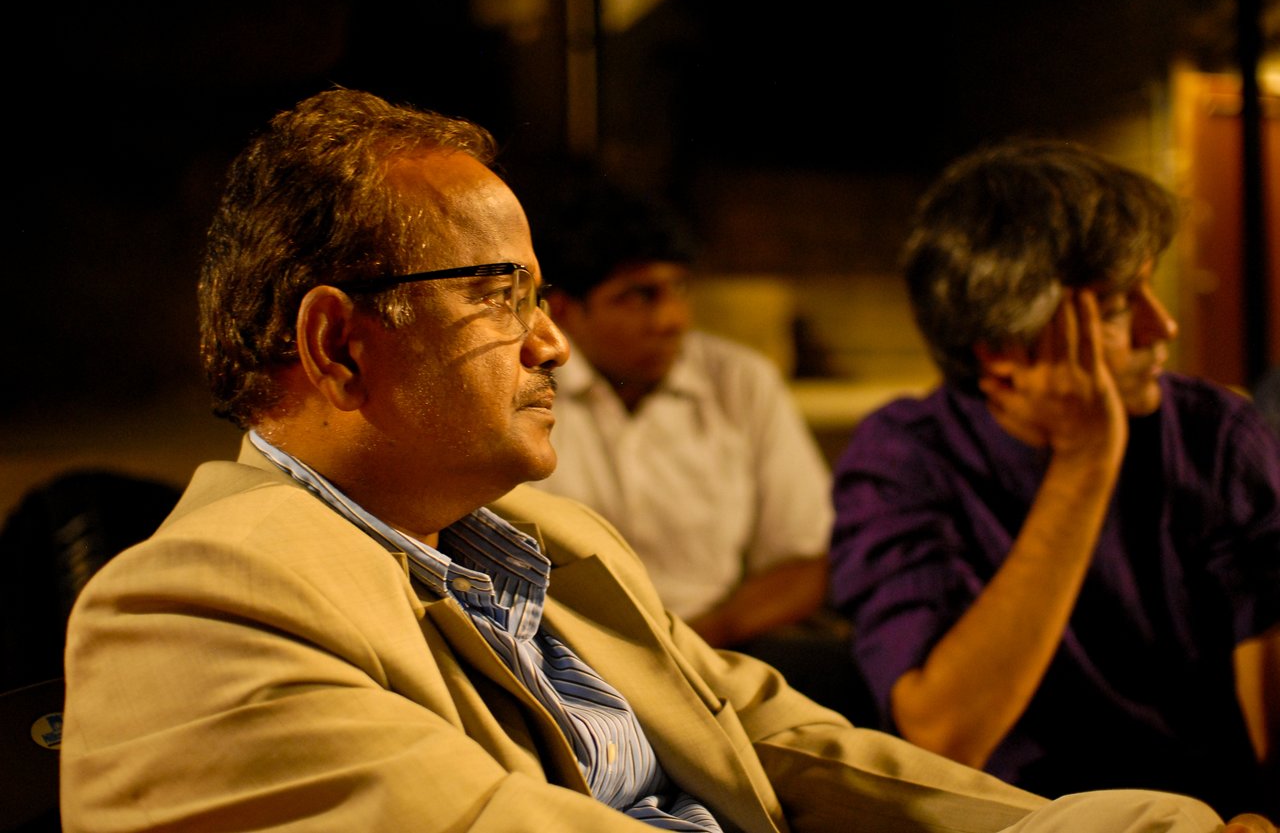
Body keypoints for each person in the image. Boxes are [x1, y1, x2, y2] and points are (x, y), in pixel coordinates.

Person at [59, 89, 1268, 833]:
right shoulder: (194, 607)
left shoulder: (551, 544)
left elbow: (783, 742)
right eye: (501, 292)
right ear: (335, 341)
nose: (552, 339)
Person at [828, 138, 1280, 820]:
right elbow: (946, 732)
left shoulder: (1213, 435)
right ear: (1005, 346)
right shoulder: (905, 459)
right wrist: (1083, 464)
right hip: (1024, 817)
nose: (1166, 325)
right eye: (1118, 306)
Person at [526, 175, 836, 662]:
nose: (673, 319)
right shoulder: (525, 392)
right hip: (562, 660)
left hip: (722, 652)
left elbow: (805, 563)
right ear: (563, 309)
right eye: (639, 296)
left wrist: (690, 647)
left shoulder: (738, 382)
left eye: (679, 289)